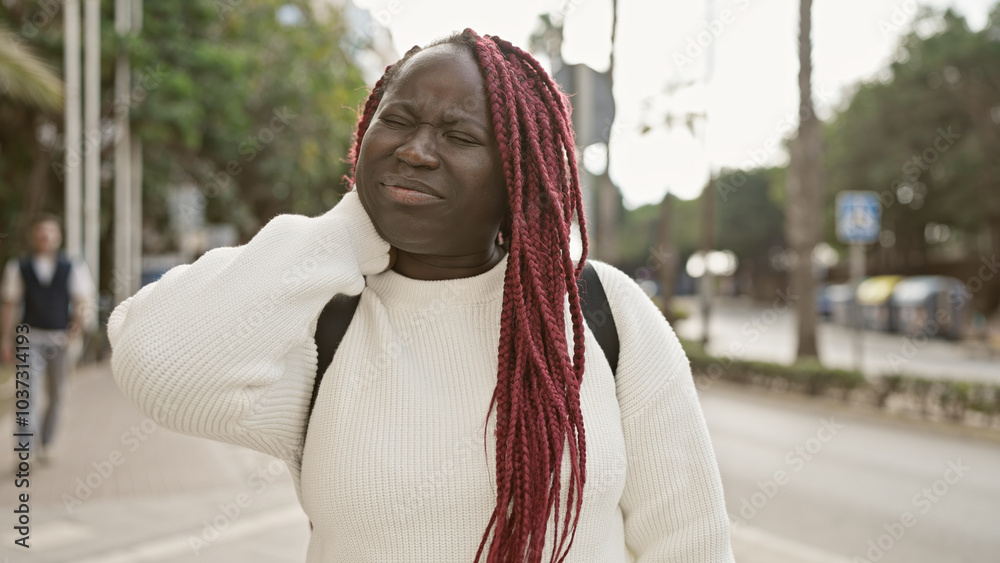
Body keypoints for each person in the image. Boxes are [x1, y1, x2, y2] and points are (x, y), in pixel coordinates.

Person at [107, 29, 735, 562]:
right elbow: (156, 361)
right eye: (397, 122)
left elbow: (689, 541)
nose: (415, 150)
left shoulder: (599, 311)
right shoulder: (329, 318)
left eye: (459, 137)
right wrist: (351, 227)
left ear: (519, 176)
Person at [1, 213, 95, 464]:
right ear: (35, 236)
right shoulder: (18, 267)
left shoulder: (72, 267)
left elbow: (83, 302)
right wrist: (5, 340)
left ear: (58, 236)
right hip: (29, 338)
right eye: (42, 232)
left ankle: (48, 442)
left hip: (59, 340)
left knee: (57, 394)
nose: (46, 237)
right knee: (27, 395)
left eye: (51, 232)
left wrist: (75, 331)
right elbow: (10, 304)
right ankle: (25, 450)